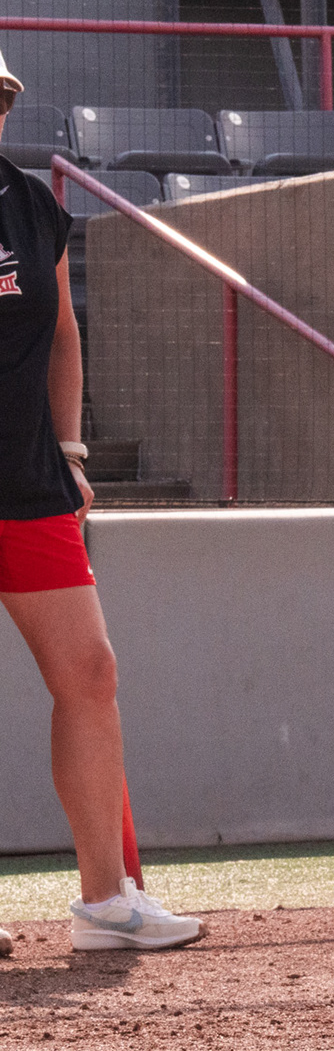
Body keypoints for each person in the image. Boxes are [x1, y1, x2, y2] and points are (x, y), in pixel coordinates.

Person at [0, 49, 201, 955]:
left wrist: (73, 450)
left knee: (89, 675)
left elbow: (61, 334)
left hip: (29, 481)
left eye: (0, 97)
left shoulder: (35, 207)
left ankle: (105, 903)